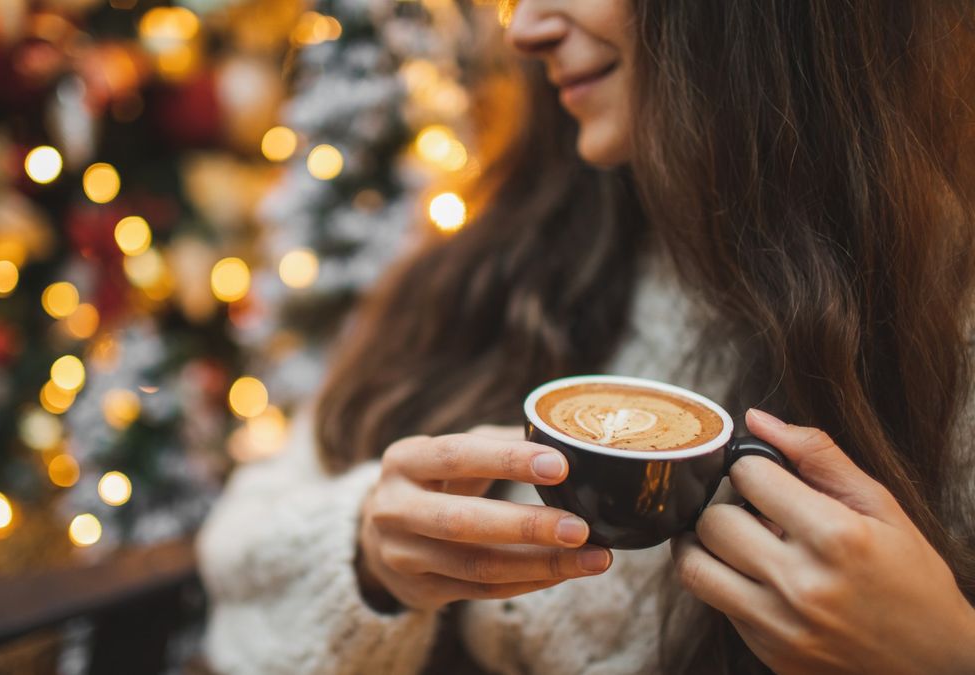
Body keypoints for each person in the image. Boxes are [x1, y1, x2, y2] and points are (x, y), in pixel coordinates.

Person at [196, 1, 975, 672]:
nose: (524, 29)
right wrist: (368, 558)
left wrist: (946, 652)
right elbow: (241, 543)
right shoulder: (498, 261)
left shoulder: (948, 332)